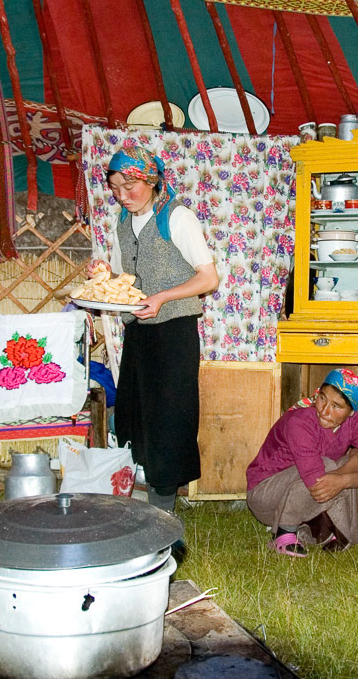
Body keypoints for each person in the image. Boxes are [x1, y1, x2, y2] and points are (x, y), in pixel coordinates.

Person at [87, 145, 219, 513]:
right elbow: (123, 277)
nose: (122, 196)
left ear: (151, 180)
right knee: (136, 415)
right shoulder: (123, 221)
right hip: (139, 332)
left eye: (130, 187)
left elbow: (208, 278)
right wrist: (104, 273)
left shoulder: (177, 218)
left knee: (168, 418)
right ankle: (143, 501)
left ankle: (164, 511)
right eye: (115, 188)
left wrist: (163, 297)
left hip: (174, 333)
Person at [246, 369, 358, 557]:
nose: (325, 410)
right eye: (322, 398)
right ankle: (285, 532)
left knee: (354, 465)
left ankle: (328, 529)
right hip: (266, 495)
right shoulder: (301, 421)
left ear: (352, 412)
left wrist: (347, 476)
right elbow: (316, 483)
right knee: (334, 465)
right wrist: (353, 465)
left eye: (336, 406)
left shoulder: (356, 421)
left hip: (302, 490)